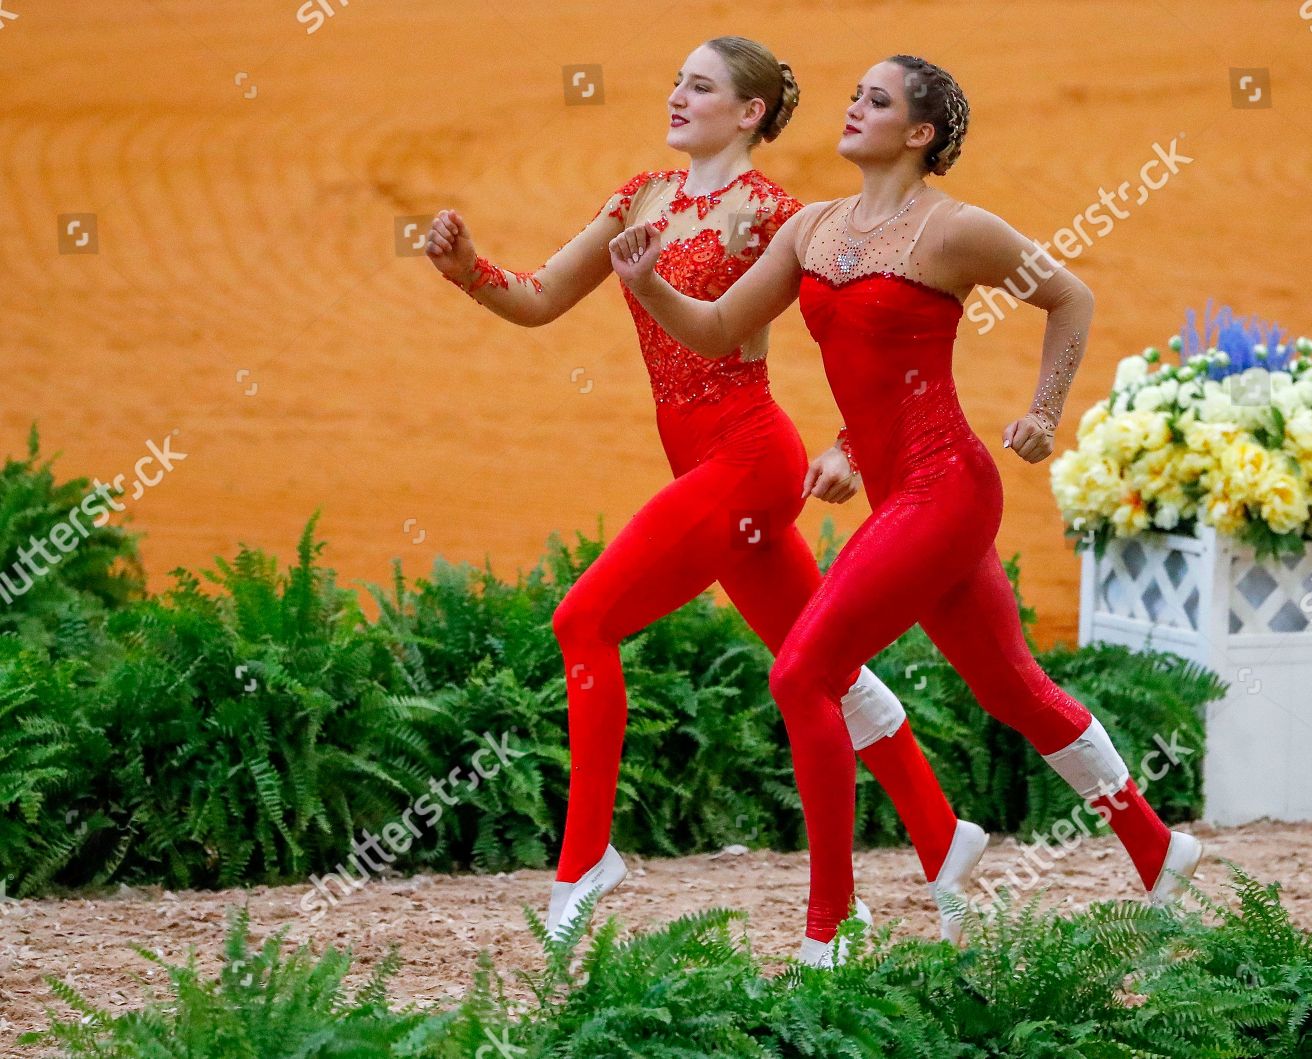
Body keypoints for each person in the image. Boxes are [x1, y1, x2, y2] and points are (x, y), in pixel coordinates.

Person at [607, 53, 1205, 966]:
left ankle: (832, 928)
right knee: (1012, 689)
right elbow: (721, 328)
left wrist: (1045, 411)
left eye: (875, 101)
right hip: (900, 493)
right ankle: (1160, 849)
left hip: (949, 486)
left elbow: (1069, 295)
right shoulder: (812, 229)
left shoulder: (955, 230)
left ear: (919, 135)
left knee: (802, 672)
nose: (852, 109)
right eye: (853, 96)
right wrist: (649, 287)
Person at [424, 38, 987, 949]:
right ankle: (938, 828)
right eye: (676, 80)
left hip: (748, 462)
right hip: (702, 469)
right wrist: (469, 269)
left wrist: (850, 443)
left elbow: (862, 335)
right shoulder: (639, 198)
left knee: (584, 622)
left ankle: (584, 860)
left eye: (701, 85)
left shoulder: (776, 215)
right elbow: (535, 299)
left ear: (749, 112)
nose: (677, 95)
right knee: (823, 663)